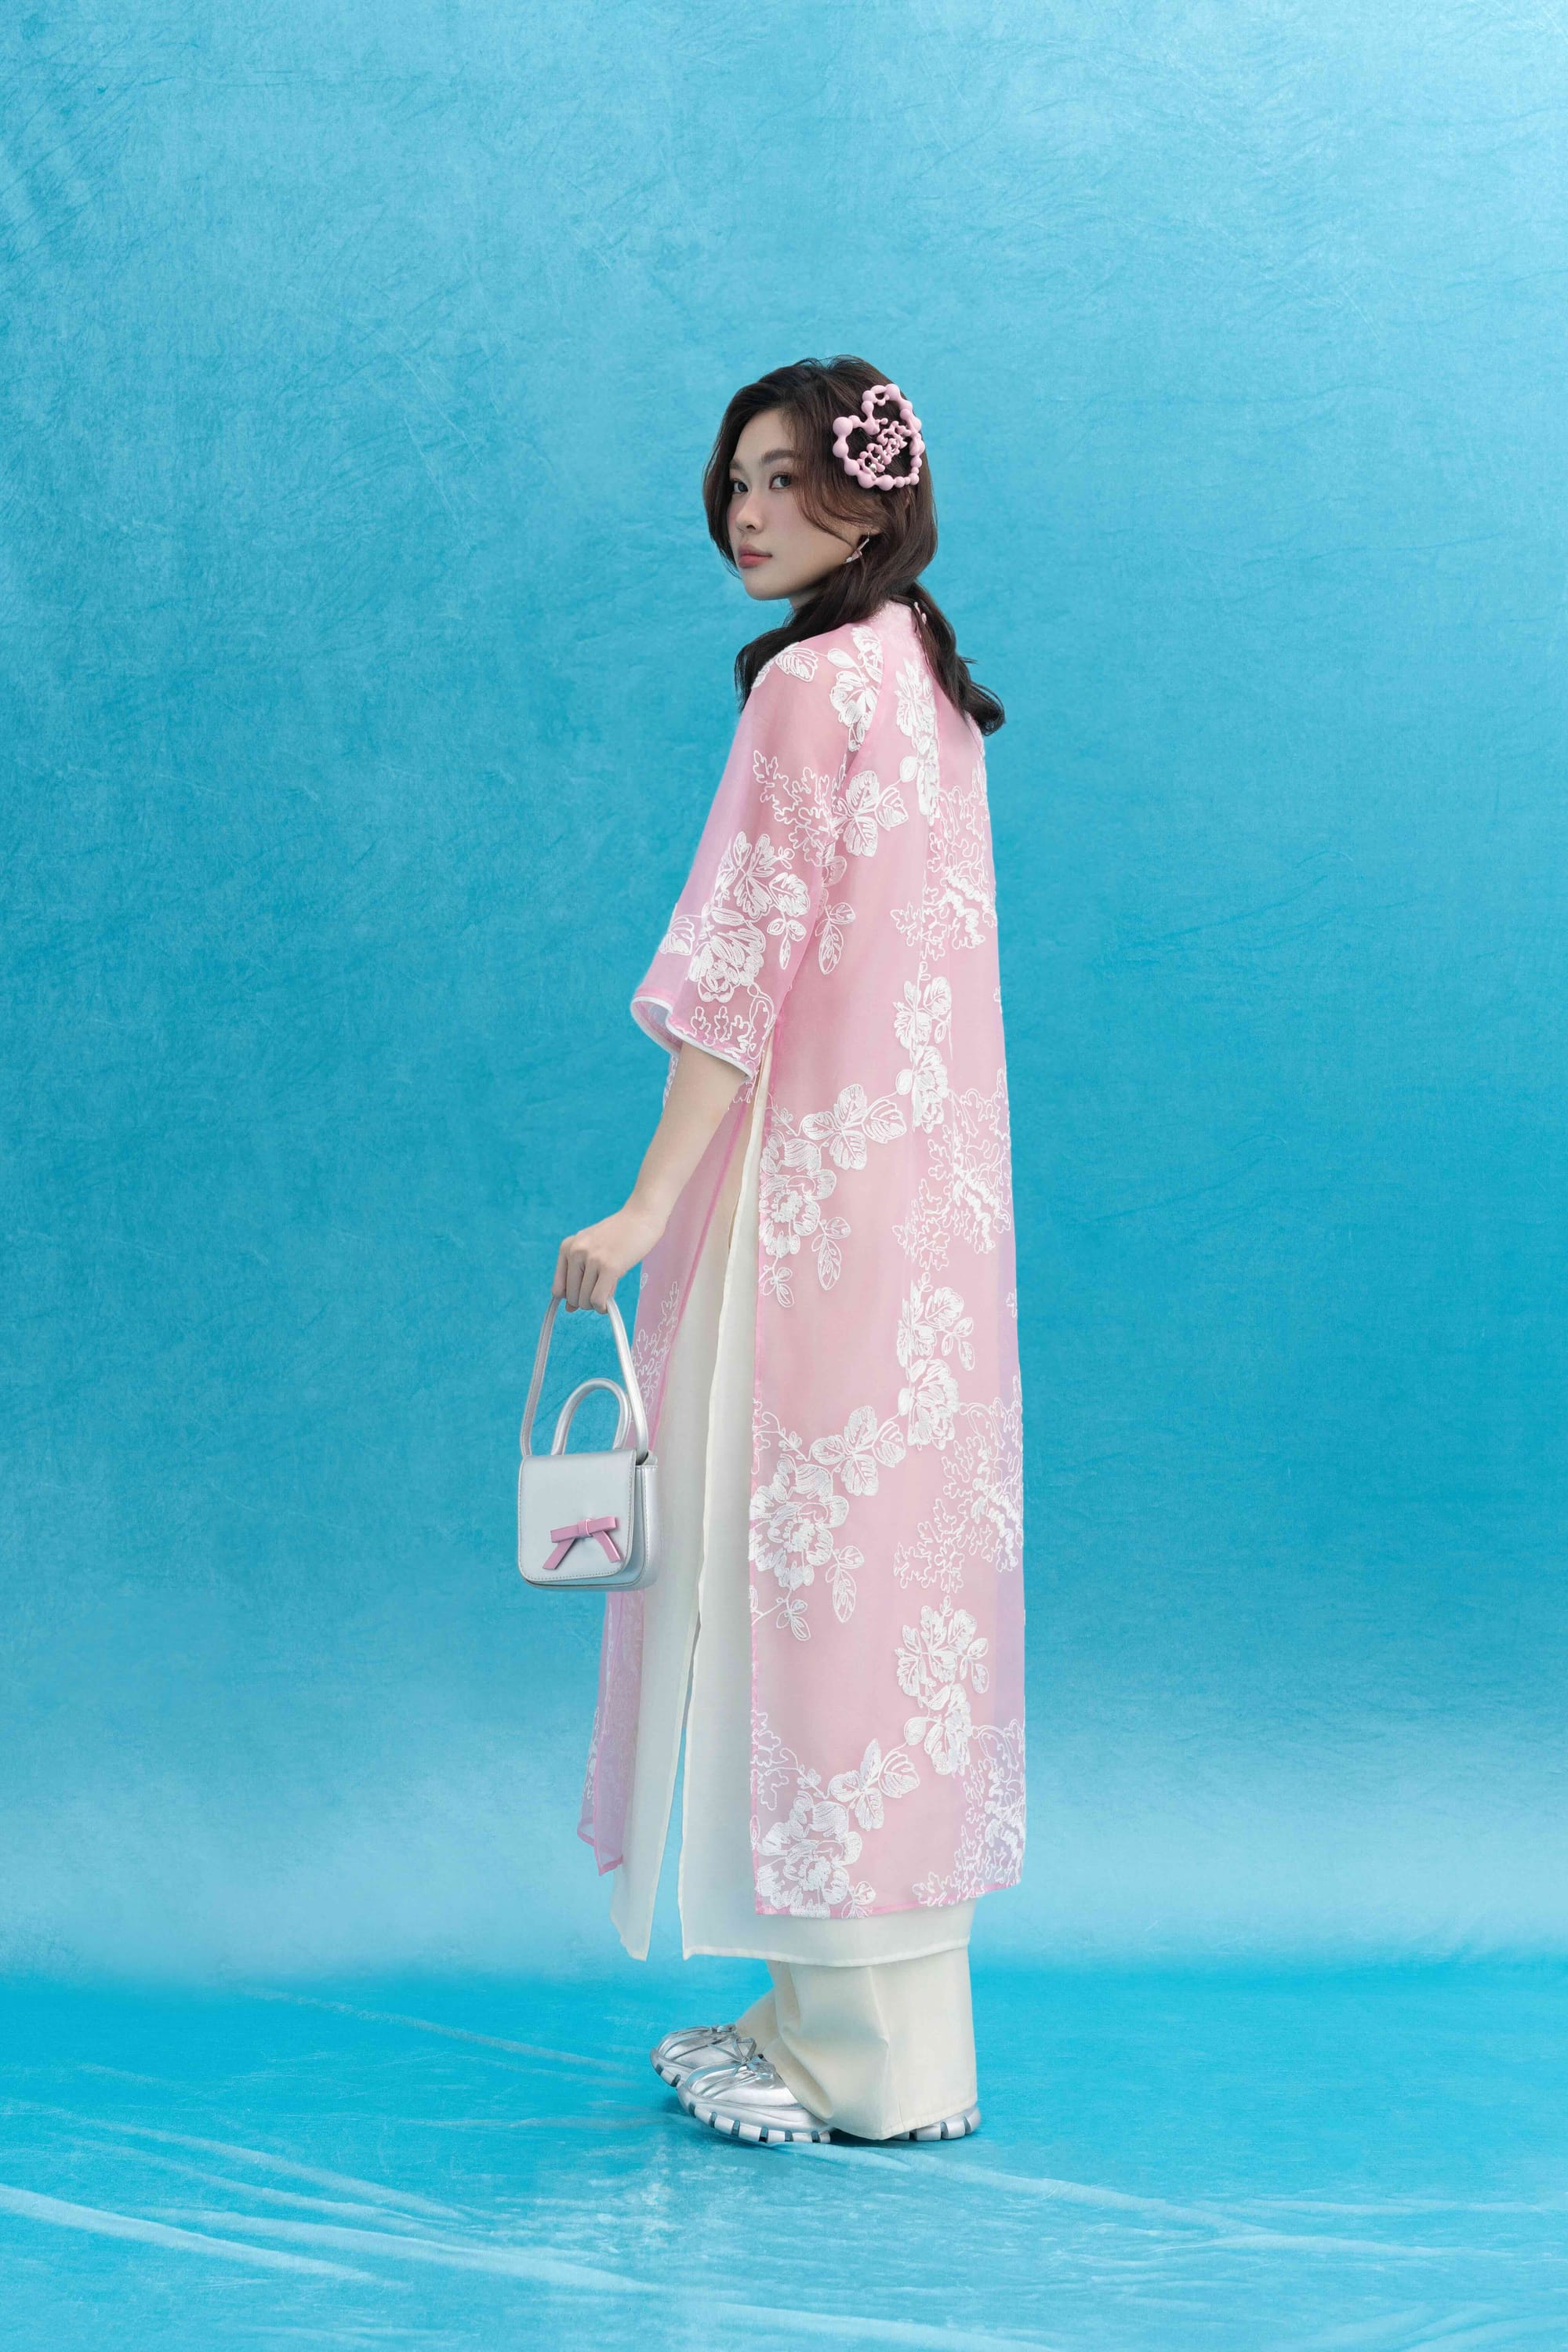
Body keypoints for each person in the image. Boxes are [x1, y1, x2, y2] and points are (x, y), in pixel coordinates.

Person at [553, 356, 1024, 2147]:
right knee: (889, 1595)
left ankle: (837, 2055)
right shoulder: (928, 682)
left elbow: (735, 982)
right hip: (931, 1225)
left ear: (866, 493)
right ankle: (876, 2034)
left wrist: (644, 1208)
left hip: (807, 1211)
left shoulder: (810, 689)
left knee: (783, 1586)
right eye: (734, 481)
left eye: (780, 478)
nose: (745, 512)